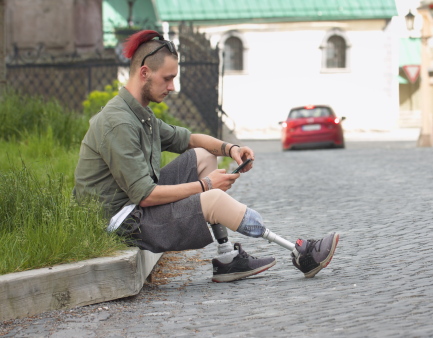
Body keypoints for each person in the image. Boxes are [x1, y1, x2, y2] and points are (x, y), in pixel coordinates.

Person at [74, 30, 339, 283]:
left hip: (134, 206)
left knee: (201, 156)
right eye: (167, 78)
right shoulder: (119, 123)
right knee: (211, 198)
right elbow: (144, 195)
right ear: (145, 73)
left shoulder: (139, 114)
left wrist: (230, 149)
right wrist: (206, 186)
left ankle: (228, 259)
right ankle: (302, 253)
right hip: (122, 222)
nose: (173, 86)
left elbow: (190, 140)